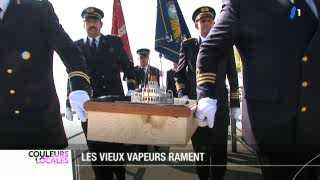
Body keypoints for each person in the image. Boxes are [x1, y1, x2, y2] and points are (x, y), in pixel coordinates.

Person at [196, 0, 320, 179]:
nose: (206, 23)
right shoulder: (242, 4)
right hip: (274, 127)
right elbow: (209, 51)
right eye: (203, 21)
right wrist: (206, 95)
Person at [0, 0, 90, 148]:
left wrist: (79, 87)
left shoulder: (39, 9)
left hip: (41, 128)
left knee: (49, 170)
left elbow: (70, 52)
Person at [66, 7, 136, 180]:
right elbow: (71, 76)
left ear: (101, 24)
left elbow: (127, 66)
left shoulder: (113, 41)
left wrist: (132, 87)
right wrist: (68, 102)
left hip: (115, 104)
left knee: (116, 150)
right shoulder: (77, 46)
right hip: (89, 106)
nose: (92, 24)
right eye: (88, 21)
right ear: (84, 24)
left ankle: (120, 175)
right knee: (96, 153)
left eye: (95, 21)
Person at [175, 6, 240, 180]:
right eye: (202, 21)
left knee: (219, 154)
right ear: (196, 25)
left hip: (220, 108)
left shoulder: (224, 45)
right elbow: (179, 75)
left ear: (214, 23)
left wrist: (235, 104)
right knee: (201, 154)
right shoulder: (187, 45)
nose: (206, 23)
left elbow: (233, 76)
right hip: (196, 110)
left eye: (209, 20)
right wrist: (183, 96)